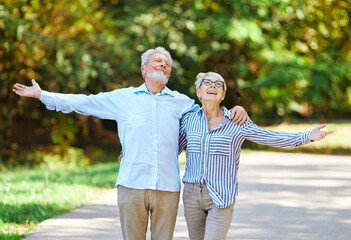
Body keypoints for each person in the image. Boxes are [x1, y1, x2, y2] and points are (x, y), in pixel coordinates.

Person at [13, 47, 250, 240]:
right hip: (131, 184)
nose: (162, 65)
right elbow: (85, 102)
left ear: (169, 74)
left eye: (167, 64)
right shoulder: (123, 98)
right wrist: (42, 95)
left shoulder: (182, 102)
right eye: (157, 61)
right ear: (143, 68)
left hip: (167, 188)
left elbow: (210, 111)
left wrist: (235, 109)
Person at [178, 72, 333, 240]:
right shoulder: (188, 120)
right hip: (191, 196)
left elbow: (270, 137)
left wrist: (307, 136)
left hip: (221, 197)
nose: (213, 86)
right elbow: (170, 149)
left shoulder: (236, 122)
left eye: (219, 84)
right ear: (198, 92)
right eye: (207, 82)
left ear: (223, 95)